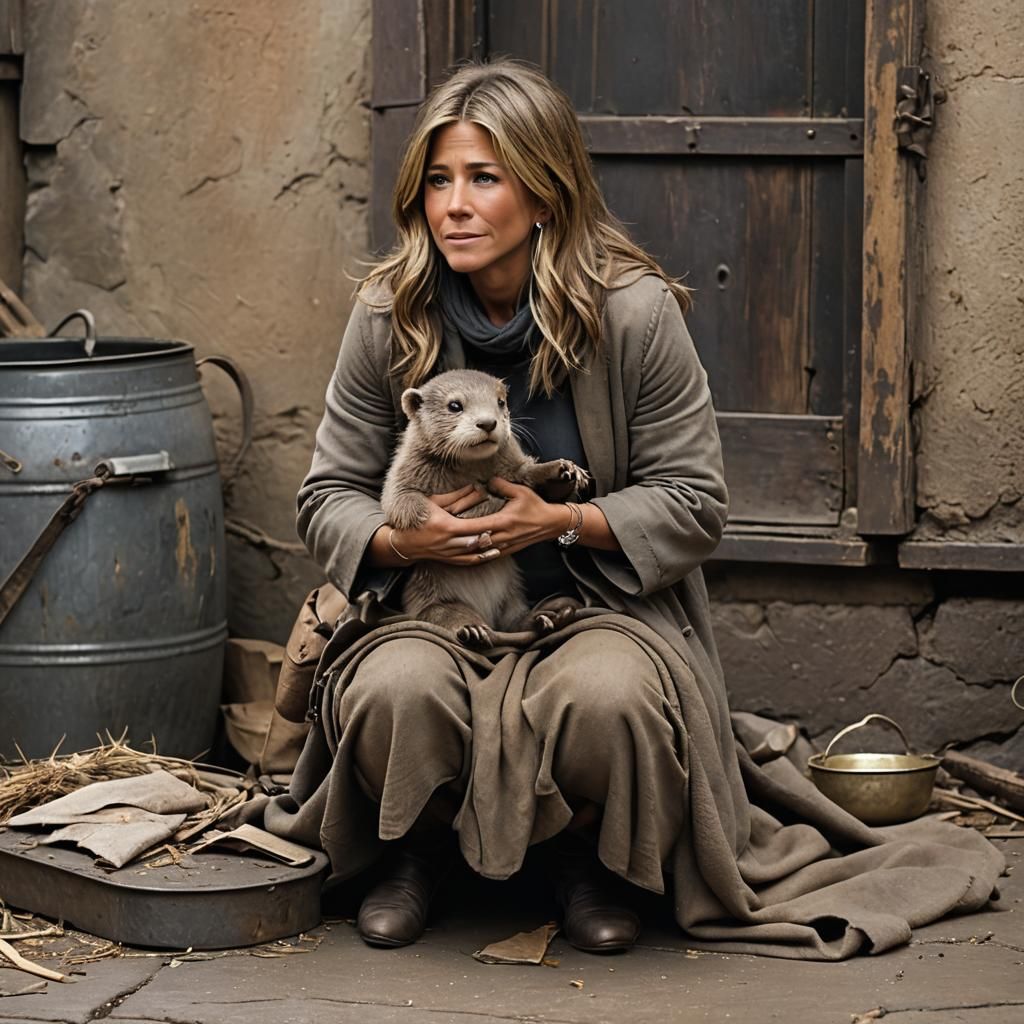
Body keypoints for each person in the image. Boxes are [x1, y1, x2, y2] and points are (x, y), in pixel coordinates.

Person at [268, 58, 1002, 960]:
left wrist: (564, 521)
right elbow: (324, 498)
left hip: (596, 606)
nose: (453, 204)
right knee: (394, 687)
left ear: (544, 194)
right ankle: (414, 857)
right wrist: (395, 535)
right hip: (432, 606)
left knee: (606, 693)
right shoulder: (390, 314)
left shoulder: (636, 315)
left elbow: (694, 503)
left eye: (484, 178)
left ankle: (592, 864)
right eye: (438, 180)